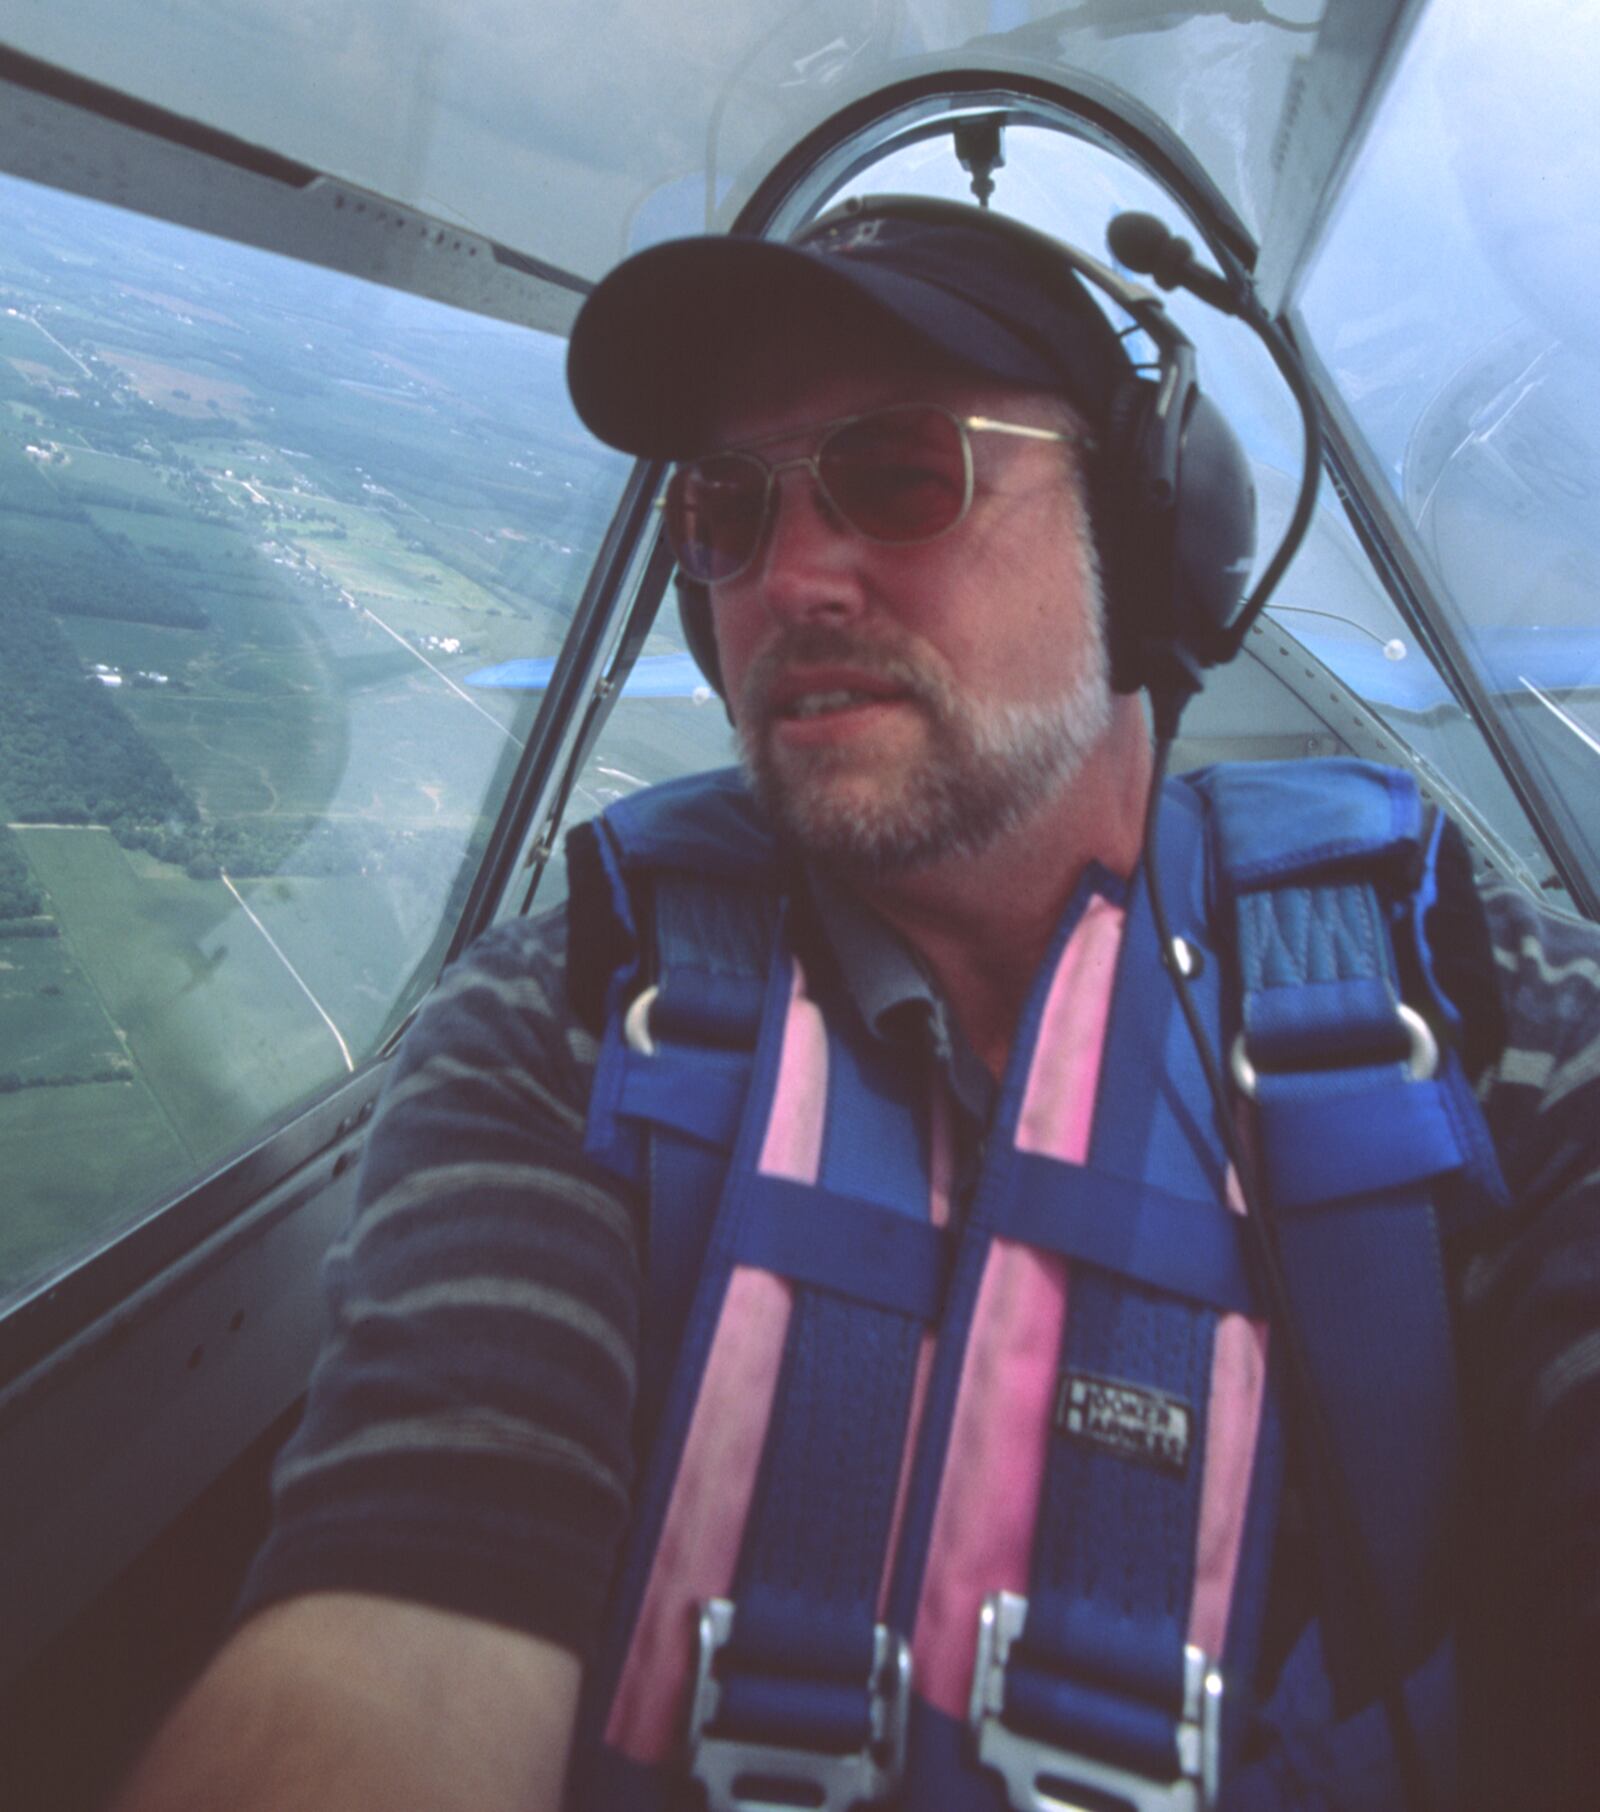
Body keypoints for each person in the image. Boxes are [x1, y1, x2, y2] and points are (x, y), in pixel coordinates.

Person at [113, 198, 1600, 1812]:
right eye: (729, 510)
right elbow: (407, 1608)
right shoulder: (562, 1036)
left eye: (903, 470)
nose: (793, 577)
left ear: (1143, 526)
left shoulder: (1484, 1021)